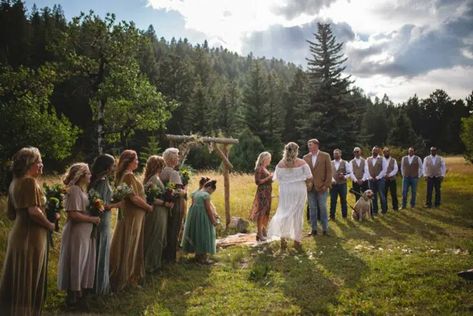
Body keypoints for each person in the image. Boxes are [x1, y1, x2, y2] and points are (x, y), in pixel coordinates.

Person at [0, 147, 56, 315]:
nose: (41, 165)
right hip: (30, 236)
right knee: (27, 278)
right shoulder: (29, 182)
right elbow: (33, 211)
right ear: (28, 164)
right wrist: (49, 224)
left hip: (18, 233)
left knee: (18, 277)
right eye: (38, 162)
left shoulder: (14, 182)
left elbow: (10, 214)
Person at [58, 163, 101, 307]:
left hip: (85, 232)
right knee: (76, 261)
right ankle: (72, 297)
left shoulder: (83, 190)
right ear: (81, 176)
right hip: (76, 232)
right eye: (88, 173)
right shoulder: (75, 190)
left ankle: (79, 293)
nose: (90, 176)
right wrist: (92, 219)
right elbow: (73, 214)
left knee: (82, 261)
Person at [109, 150, 153, 292]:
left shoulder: (128, 175)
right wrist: (148, 207)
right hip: (132, 216)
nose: (138, 162)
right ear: (128, 161)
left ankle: (130, 277)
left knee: (132, 243)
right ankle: (126, 278)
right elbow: (132, 197)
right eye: (136, 159)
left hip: (135, 215)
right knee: (130, 244)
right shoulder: (128, 176)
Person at [268, 142, 312, 250]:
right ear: (296, 151)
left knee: (284, 213)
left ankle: (283, 240)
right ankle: (297, 241)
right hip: (299, 189)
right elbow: (310, 177)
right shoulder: (302, 162)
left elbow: (275, 178)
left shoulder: (280, 164)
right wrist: (307, 184)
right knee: (297, 215)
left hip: (285, 190)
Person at [89, 154, 121, 295]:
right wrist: (117, 204)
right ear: (107, 167)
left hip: (102, 220)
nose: (115, 167)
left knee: (100, 250)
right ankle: (100, 288)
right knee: (101, 250)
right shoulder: (102, 181)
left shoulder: (99, 180)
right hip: (102, 221)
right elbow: (100, 205)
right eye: (113, 165)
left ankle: (97, 285)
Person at [143, 155, 174, 273]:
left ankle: (156, 263)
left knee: (159, 236)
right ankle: (150, 265)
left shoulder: (156, 177)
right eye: (162, 165)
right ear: (158, 166)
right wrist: (165, 203)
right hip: (156, 211)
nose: (163, 167)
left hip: (161, 211)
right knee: (155, 236)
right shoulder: (153, 179)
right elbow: (150, 198)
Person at [181, 180, 218, 264]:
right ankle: (203, 258)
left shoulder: (196, 193)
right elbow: (208, 209)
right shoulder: (206, 195)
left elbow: (193, 205)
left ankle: (197, 256)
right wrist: (213, 221)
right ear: (209, 188)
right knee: (204, 235)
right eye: (211, 191)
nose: (210, 193)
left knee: (197, 234)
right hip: (203, 217)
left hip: (194, 217)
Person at [161, 148, 187, 263]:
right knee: (174, 229)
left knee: (168, 229)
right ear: (171, 159)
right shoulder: (174, 172)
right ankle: (170, 257)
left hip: (167, 204)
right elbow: (177, 191)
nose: (178, 158)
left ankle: (164, 255)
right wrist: (185, 191)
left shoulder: (163, 171)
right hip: (176, 205)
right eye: (177, 156)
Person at [303, 138, 332, 236]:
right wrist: (306, 184)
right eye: (308, 145)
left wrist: (326, 185)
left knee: (323, 207)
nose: (309, 147)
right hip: (310, 188)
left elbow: (329, 172)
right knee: (312, 208)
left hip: (322, 187)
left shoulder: (325, 156)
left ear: (316, 145)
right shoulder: (305, 157)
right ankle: (313, 229)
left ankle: (325, 229)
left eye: (310, 145)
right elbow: (304, 173)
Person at [250, 152, 273, 241]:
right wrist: (268, 177)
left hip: (268, 192)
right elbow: (257, 182)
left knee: (266, 212)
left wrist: (271, 178)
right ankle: (259, 233)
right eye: (268, 158)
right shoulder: (259, 169)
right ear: (264, 159)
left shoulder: (265, 168)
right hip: (262, 193)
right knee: (261, 212)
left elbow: (268, 180)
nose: (269, 160)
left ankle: (264, 230)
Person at [365, 146, 388, 215]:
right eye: (373, 150)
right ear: (371, 151)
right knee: (372, 196)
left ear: (378, 151)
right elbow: (366, 169)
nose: (374, 151)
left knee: (381, 195)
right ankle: (375, 211)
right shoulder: (368, 159)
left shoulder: (382, 159)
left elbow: (384, 169)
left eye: (376, 150)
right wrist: (370, 177)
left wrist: (378, 177)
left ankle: (384, 210)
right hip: (371, 180)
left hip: (380, 180)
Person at [330, 149, 352, 220]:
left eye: (337, 153)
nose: (335, 155)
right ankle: (332, 216)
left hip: (342, 184)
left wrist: (344, 176)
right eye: (334, 154)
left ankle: (344, 216)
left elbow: (349, 173)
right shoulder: (330, 163)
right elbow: (329, 174)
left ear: (340, 154)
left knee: (343, 200)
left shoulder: (345, 162)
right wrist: (332, 180)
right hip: (333, 185)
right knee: (333, 200)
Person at [383, 147, 399, 211]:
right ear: (383, 153)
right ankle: (385, 208)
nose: (386, 153)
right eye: (384, 152)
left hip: (392, 179)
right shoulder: (381, 160)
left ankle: (395, 207)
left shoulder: (393, 160)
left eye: (387, 151)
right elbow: (380, 169)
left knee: (394, 194)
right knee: (384, 194)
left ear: (389, 152)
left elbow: (396, 169)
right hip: (384, 180)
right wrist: (384, 175)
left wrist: (389, 175)